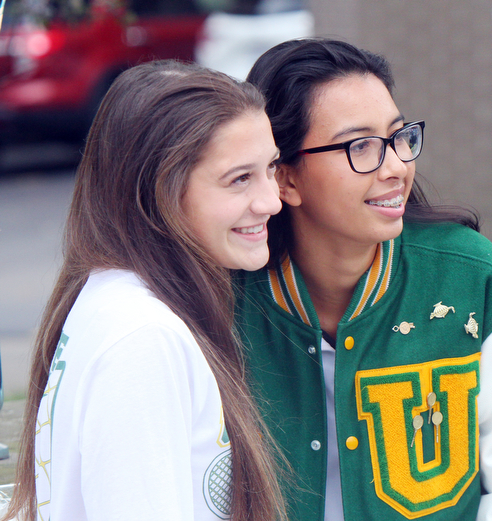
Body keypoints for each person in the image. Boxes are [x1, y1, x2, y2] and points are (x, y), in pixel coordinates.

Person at [234, 38, 492, 520]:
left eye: (400, 137)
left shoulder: (468, 279)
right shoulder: (221, 300)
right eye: (360, 146)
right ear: (284, 178)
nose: (397, 166)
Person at [4, 60, 287, 521]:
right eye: (240, 178)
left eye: (270, 168)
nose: (271, 200)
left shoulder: (113, 303)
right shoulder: (142, 337)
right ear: (159, 190)